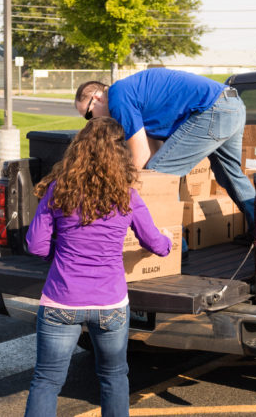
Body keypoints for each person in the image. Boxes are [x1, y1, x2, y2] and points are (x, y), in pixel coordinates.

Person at [24, 117, 172, 417]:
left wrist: (63, 251)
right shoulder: (126, 196)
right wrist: (169, 241)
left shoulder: (58, 191)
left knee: (47, 381)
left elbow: (35, 245)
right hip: (110, 303)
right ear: (121, 154)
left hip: (61, 298)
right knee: (114, 376)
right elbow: (156, 244)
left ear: (78, 149)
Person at [74, 68, 256, 242]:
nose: (93, 122)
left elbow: (141, 156)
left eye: (89, 115)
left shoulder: (117, 98)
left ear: (97, 98)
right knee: (229, 174)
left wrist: (119, 189)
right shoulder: (129, 92)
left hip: (214, 110)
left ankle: (175, 246)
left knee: (159, 178)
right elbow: (150, 151)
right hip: (232, 105)